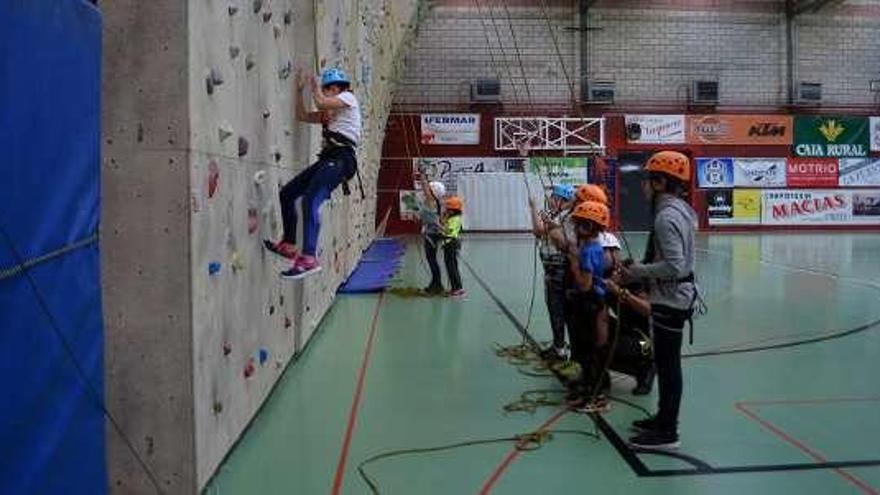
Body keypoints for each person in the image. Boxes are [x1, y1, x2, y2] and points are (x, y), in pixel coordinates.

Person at [619, 150, 698, 450]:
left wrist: (637, 271)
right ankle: (663, 418)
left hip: (671, 299)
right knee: (665, 364)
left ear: (661, 182)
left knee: (668, 366)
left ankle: (668, 431)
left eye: (648, 180)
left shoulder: (666, 216)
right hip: (673, 296)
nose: (643, 186)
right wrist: (642, 267)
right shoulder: (681, 210)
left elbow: (676, 266)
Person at [264, 67, 362, 279]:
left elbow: (320, 102)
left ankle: (309, 258)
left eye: (329, 90)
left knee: (311, 201)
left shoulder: (348, 98)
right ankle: (289, 244)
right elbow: (301, 115)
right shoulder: (330, 115)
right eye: (325, 90)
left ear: (337, 89)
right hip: (328, 159)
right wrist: (300, 92)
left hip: (342, 159)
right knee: (288, 194)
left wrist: (314, 86)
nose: (326, 93)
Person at [564, 200, 612, 412]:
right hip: (593, 302)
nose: (575, 228)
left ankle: (597, 396)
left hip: (590, 303)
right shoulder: (593, 247)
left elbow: (585, 284)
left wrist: (573, 262)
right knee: (586, 349)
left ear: (588, 227)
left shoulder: (588, 251)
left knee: (589, 349)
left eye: (578, 224)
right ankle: (588, 390)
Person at [528, 184, 576, 360]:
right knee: (554, 308)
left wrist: (534, 209)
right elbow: (538, 232)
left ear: (562, 199)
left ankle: (560, 349)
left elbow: (540, 230)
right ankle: (559, 345)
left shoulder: (564, 217)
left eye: (554, 197)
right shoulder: (555, 215)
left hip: (558, 268)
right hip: (550, 268)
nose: (549, 200)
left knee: (557, 308)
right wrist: (535, 211)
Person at [604, 277, 655, 395]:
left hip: (646, 341)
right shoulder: (610, 282)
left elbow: (648, 309)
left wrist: (622, 293)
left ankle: (646, 369)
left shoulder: (636, 284)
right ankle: (599, 375)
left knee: (617, 347)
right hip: (627, 330)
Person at [415, 174, 447, 294]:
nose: (426, 191)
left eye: (430, 189)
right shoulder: (435, 203)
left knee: (432, 260)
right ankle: (435, 283)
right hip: (432, 234)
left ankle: (437, 285)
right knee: (432, 260)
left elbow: (426, 190)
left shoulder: (431, 201)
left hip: (431, 236)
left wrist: (423, 177)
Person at [441, 196, 465, 297]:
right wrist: (444, 218)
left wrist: (440, 231)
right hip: (448, 244)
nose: (446, 210)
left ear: (454, 210)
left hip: (451, 244)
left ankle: (458, 289)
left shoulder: (455, 219)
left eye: (448, 209)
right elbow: (444, 224)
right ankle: (455, 288)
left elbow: (448, 231)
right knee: (450, 266)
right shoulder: (452, 218)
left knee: (452, 267)